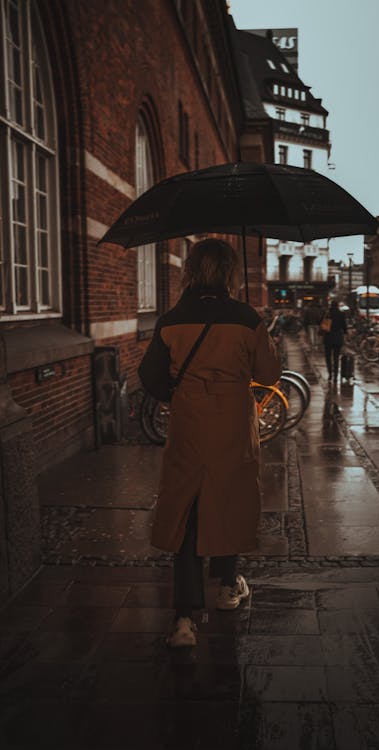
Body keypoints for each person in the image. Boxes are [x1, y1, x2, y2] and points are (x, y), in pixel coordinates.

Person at [138, 239, 282, 648]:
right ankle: (227, 587)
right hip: (233, 426)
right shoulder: (245, 318)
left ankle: (184, 619)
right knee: (229, 500)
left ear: (192, 270)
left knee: (185, 507)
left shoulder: (172, 318)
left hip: (189, 424)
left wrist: (178, 394)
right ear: (231, 274)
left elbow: (150, 376)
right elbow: (269, 377)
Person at [320, 299, 348, 382]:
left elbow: (322, 324)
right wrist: (345, 335)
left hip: (328, 338)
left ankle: (330, 375)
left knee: (328, 357)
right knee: (336, 357)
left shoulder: (327, 314)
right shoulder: (341, 314)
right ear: (337, 305)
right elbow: (344, 327)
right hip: (338, 338)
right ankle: (336, 376)